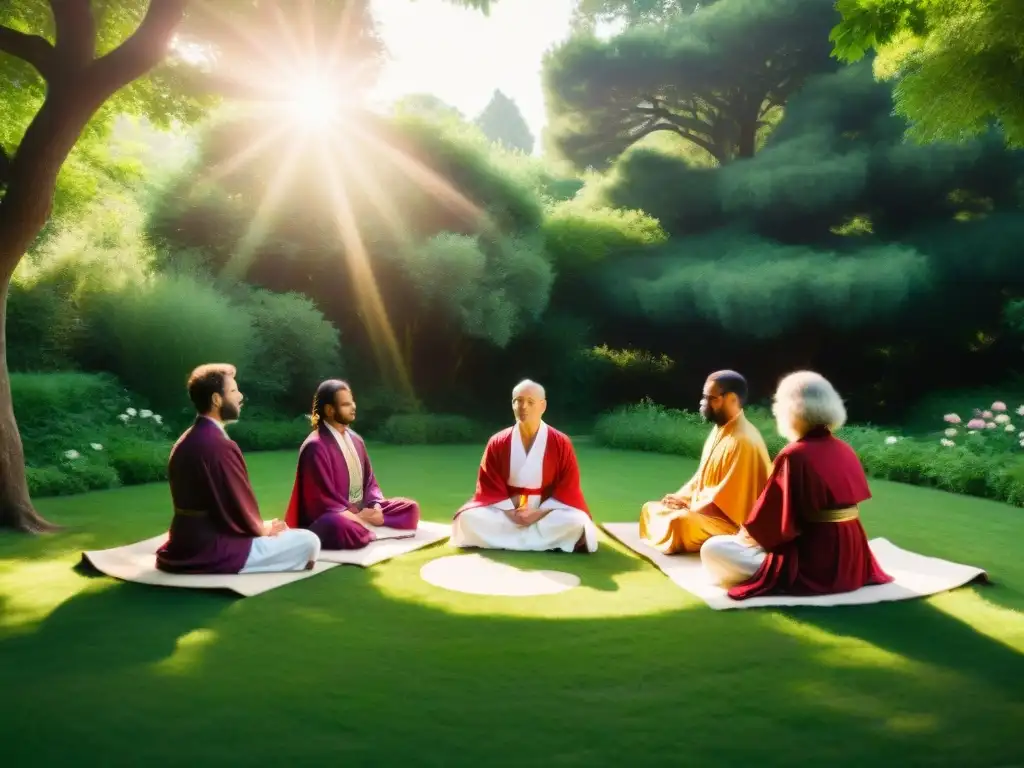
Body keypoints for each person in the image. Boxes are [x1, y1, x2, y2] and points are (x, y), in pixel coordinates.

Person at [700, 370, 894, 599]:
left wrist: (745, 539)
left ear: (792, 410)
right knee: (730, 545)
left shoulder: (794, 454)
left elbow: (767, 523)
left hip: (813, 563)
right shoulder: (845, 450)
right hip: (853, 560)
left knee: (713, 549)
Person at [156, 364, 321, 574]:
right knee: (308, 541)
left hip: (185, 539)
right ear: (216, 399)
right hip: (212, 545)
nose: (240, 396)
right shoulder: (217, 445)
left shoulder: (188, 438)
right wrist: (263, 529)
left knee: (283, 530)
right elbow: (236, 503)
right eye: (234, 391)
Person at [451, 379, 597, 553]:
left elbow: (568, 488)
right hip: (507, 509)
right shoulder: (498, 442)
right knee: (466, 518)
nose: (523, 407)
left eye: (530, 402)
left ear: (543, 406)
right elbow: (488, 485)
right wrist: (510, 511)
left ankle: (504, 540)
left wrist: (538, 513)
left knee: (577, 522)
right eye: (518, 401)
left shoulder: (560, 442)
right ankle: (542, 541)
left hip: (545, 511)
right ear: (512, 405)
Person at [638, 370, 772, 554]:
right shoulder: (720, 430)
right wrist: (679, 498)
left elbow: (729, 502)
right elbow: (700, 479)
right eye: (704, 397)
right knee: (650, 509)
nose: (704, 403)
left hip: (730, 524)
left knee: (679, 522)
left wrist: (689, 506)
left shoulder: (744, 440)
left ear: (732, 399)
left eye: (711, 398)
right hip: (702, 512)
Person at [284, 379, 420, 549]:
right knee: (338, 524)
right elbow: (322, 501)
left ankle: (368, 525)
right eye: (346, 404)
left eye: (352, 402)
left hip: (363, 510)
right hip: (333, 516)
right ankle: (364, 527)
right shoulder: (316, 446)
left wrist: (376, 507)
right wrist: (357, 515)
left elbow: (370, 483)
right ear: (329, 410)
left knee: (410, 508)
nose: (353, 407)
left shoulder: (356, 440)